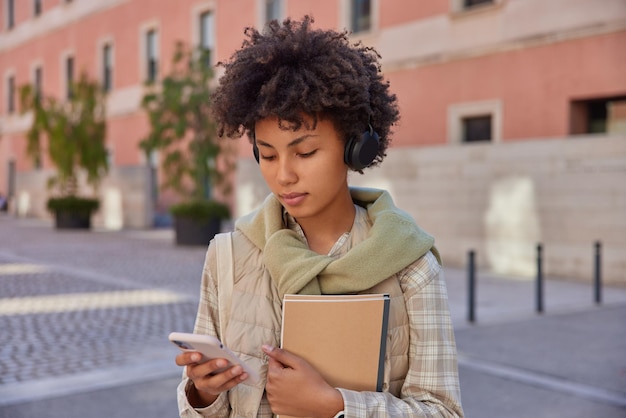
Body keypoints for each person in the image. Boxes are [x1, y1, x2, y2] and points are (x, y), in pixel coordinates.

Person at [175, 16, 464, 418]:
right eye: (269, 155)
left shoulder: (411, 265)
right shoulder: (228, 255)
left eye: (306, 152)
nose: (284, 174)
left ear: (355, 147)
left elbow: (444, 411)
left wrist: (337, 407)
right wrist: (202, 395)